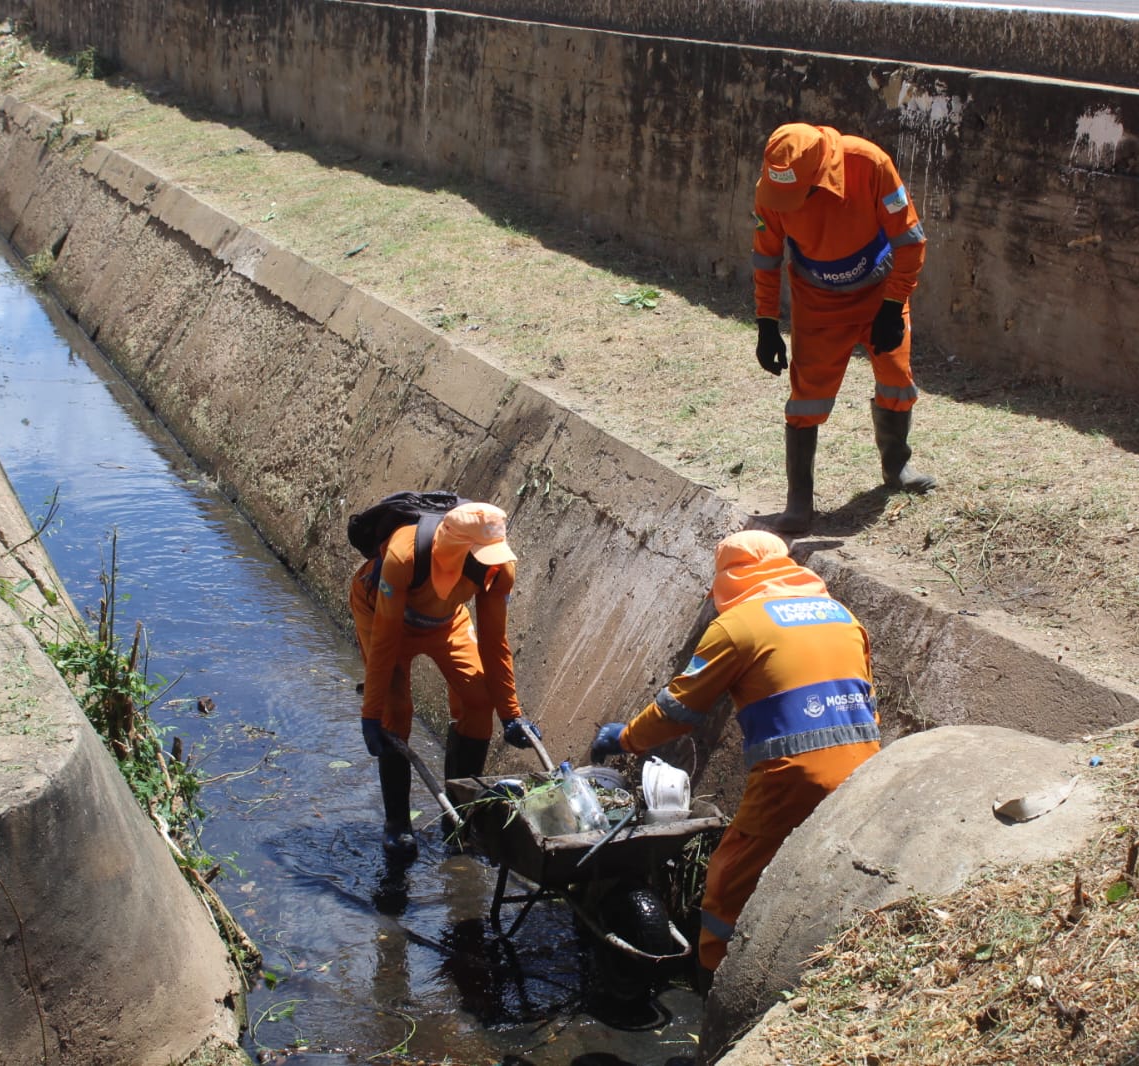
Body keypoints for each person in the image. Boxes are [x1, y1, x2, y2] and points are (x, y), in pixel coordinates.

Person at [590, 530, 881, 975]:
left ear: (728, 578)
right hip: (866, 770)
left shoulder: (738, 626)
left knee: (728, 879)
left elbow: (677, 712)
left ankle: (715, 982)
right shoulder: (842, 615)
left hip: (793, 777)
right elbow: (866, 698)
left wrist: (625, 738)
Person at [751, 121, 935, 534]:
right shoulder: (773, 188)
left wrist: (892, 304)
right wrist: (766, 322)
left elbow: (910, 239)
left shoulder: (869, 163)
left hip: (880, 290)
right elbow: (766, 256)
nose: (788, 205)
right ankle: (799, 500)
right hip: (817, 300)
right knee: (807, 397)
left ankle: (897, 464)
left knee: (896, 377)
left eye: (797, 196)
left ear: (818, 175)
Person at [350, 501, 541, 856]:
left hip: (444, 621)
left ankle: (458, 815)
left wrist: (511, 714)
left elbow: (494, 641)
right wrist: (371, 715)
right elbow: (385, 642)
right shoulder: (403, 556)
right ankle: (397, 824)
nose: (492, 566)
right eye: (481, 558)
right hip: (382, 613)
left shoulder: (498, 569)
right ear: (455, 551)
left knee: (479, 699)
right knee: (397, 709)